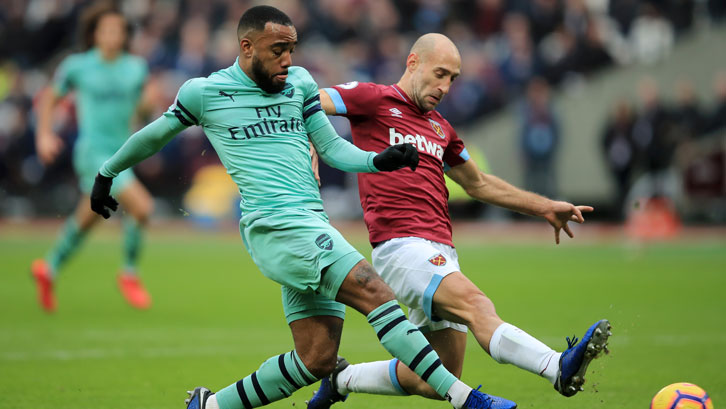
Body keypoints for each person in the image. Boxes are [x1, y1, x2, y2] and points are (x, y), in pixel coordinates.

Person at [89, 7, 516, 409]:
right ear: (247, 47)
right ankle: (465, 399)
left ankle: (210, 404)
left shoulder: (300, 85)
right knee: (373, 288)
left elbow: (331, 148)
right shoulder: (205, 93)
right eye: (278, 50)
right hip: (276, 225)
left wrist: (376, 161)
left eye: (292, 49)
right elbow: (154, 135)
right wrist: (107, 173)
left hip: (311, 223)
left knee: (316, 358)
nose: (287, 60)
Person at [307, 33, 611, 408]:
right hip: (402, 246)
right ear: (413, 63)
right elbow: (308, 101)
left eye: (453, 78)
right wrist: (311, 139)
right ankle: (556, 366)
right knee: (477, 305)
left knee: (436, 377)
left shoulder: (440, 128)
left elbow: (478, 183)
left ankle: (341, 379)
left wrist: (544, 207)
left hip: (441, 250)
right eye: (440, 74)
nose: (446, 86)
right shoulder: (373, 98)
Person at [32, 3, 153, 312]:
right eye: (106, 29)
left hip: (122, 153)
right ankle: (129, 273)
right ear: (95, 34)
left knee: (88, 218)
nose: (113, 35)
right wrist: (44, 135)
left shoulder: (136, 68)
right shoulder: (77, 66)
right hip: (93, 153)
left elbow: (142, 112)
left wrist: (149, 106)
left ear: (125, 35)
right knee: (142, 207)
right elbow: (49, 98)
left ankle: (50, 267)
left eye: (118, 30)